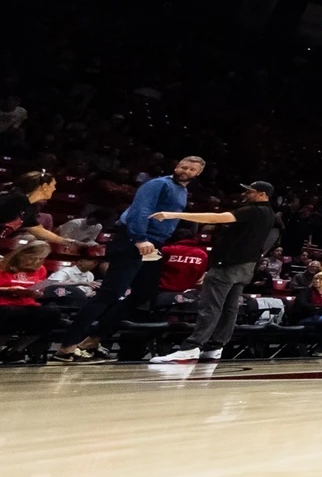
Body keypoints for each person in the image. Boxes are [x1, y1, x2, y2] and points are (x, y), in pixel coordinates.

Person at [52, 154, 206, 362]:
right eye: (183, 167)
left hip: (154, 244)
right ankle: (67, 345)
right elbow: (140, 211)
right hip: (134, 240)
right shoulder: (158, 184)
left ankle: (94, 339)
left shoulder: (183, 191)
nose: (186, 171)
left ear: (198, 173)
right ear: (177, 166)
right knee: (110, 292)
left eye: (191, 170)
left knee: (145, 293)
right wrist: (139, 238)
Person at [149, 181, 280, 364]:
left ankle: (192, 347)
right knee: (230, 308)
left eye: (250, 191)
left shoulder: (252, 210)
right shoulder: (270, 214)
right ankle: (215, 347)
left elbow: (215, 218)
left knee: (210, 306)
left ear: (262, 194)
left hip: (229, 265)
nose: (246, 194)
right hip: (246, 266)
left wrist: (173, 215)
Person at [0, 170, 68, 250]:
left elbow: (38, 230)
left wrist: (68, 242)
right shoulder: (17, 198)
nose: (55, 189)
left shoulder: (29, 207)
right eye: (53, 185)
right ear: (45, 186)